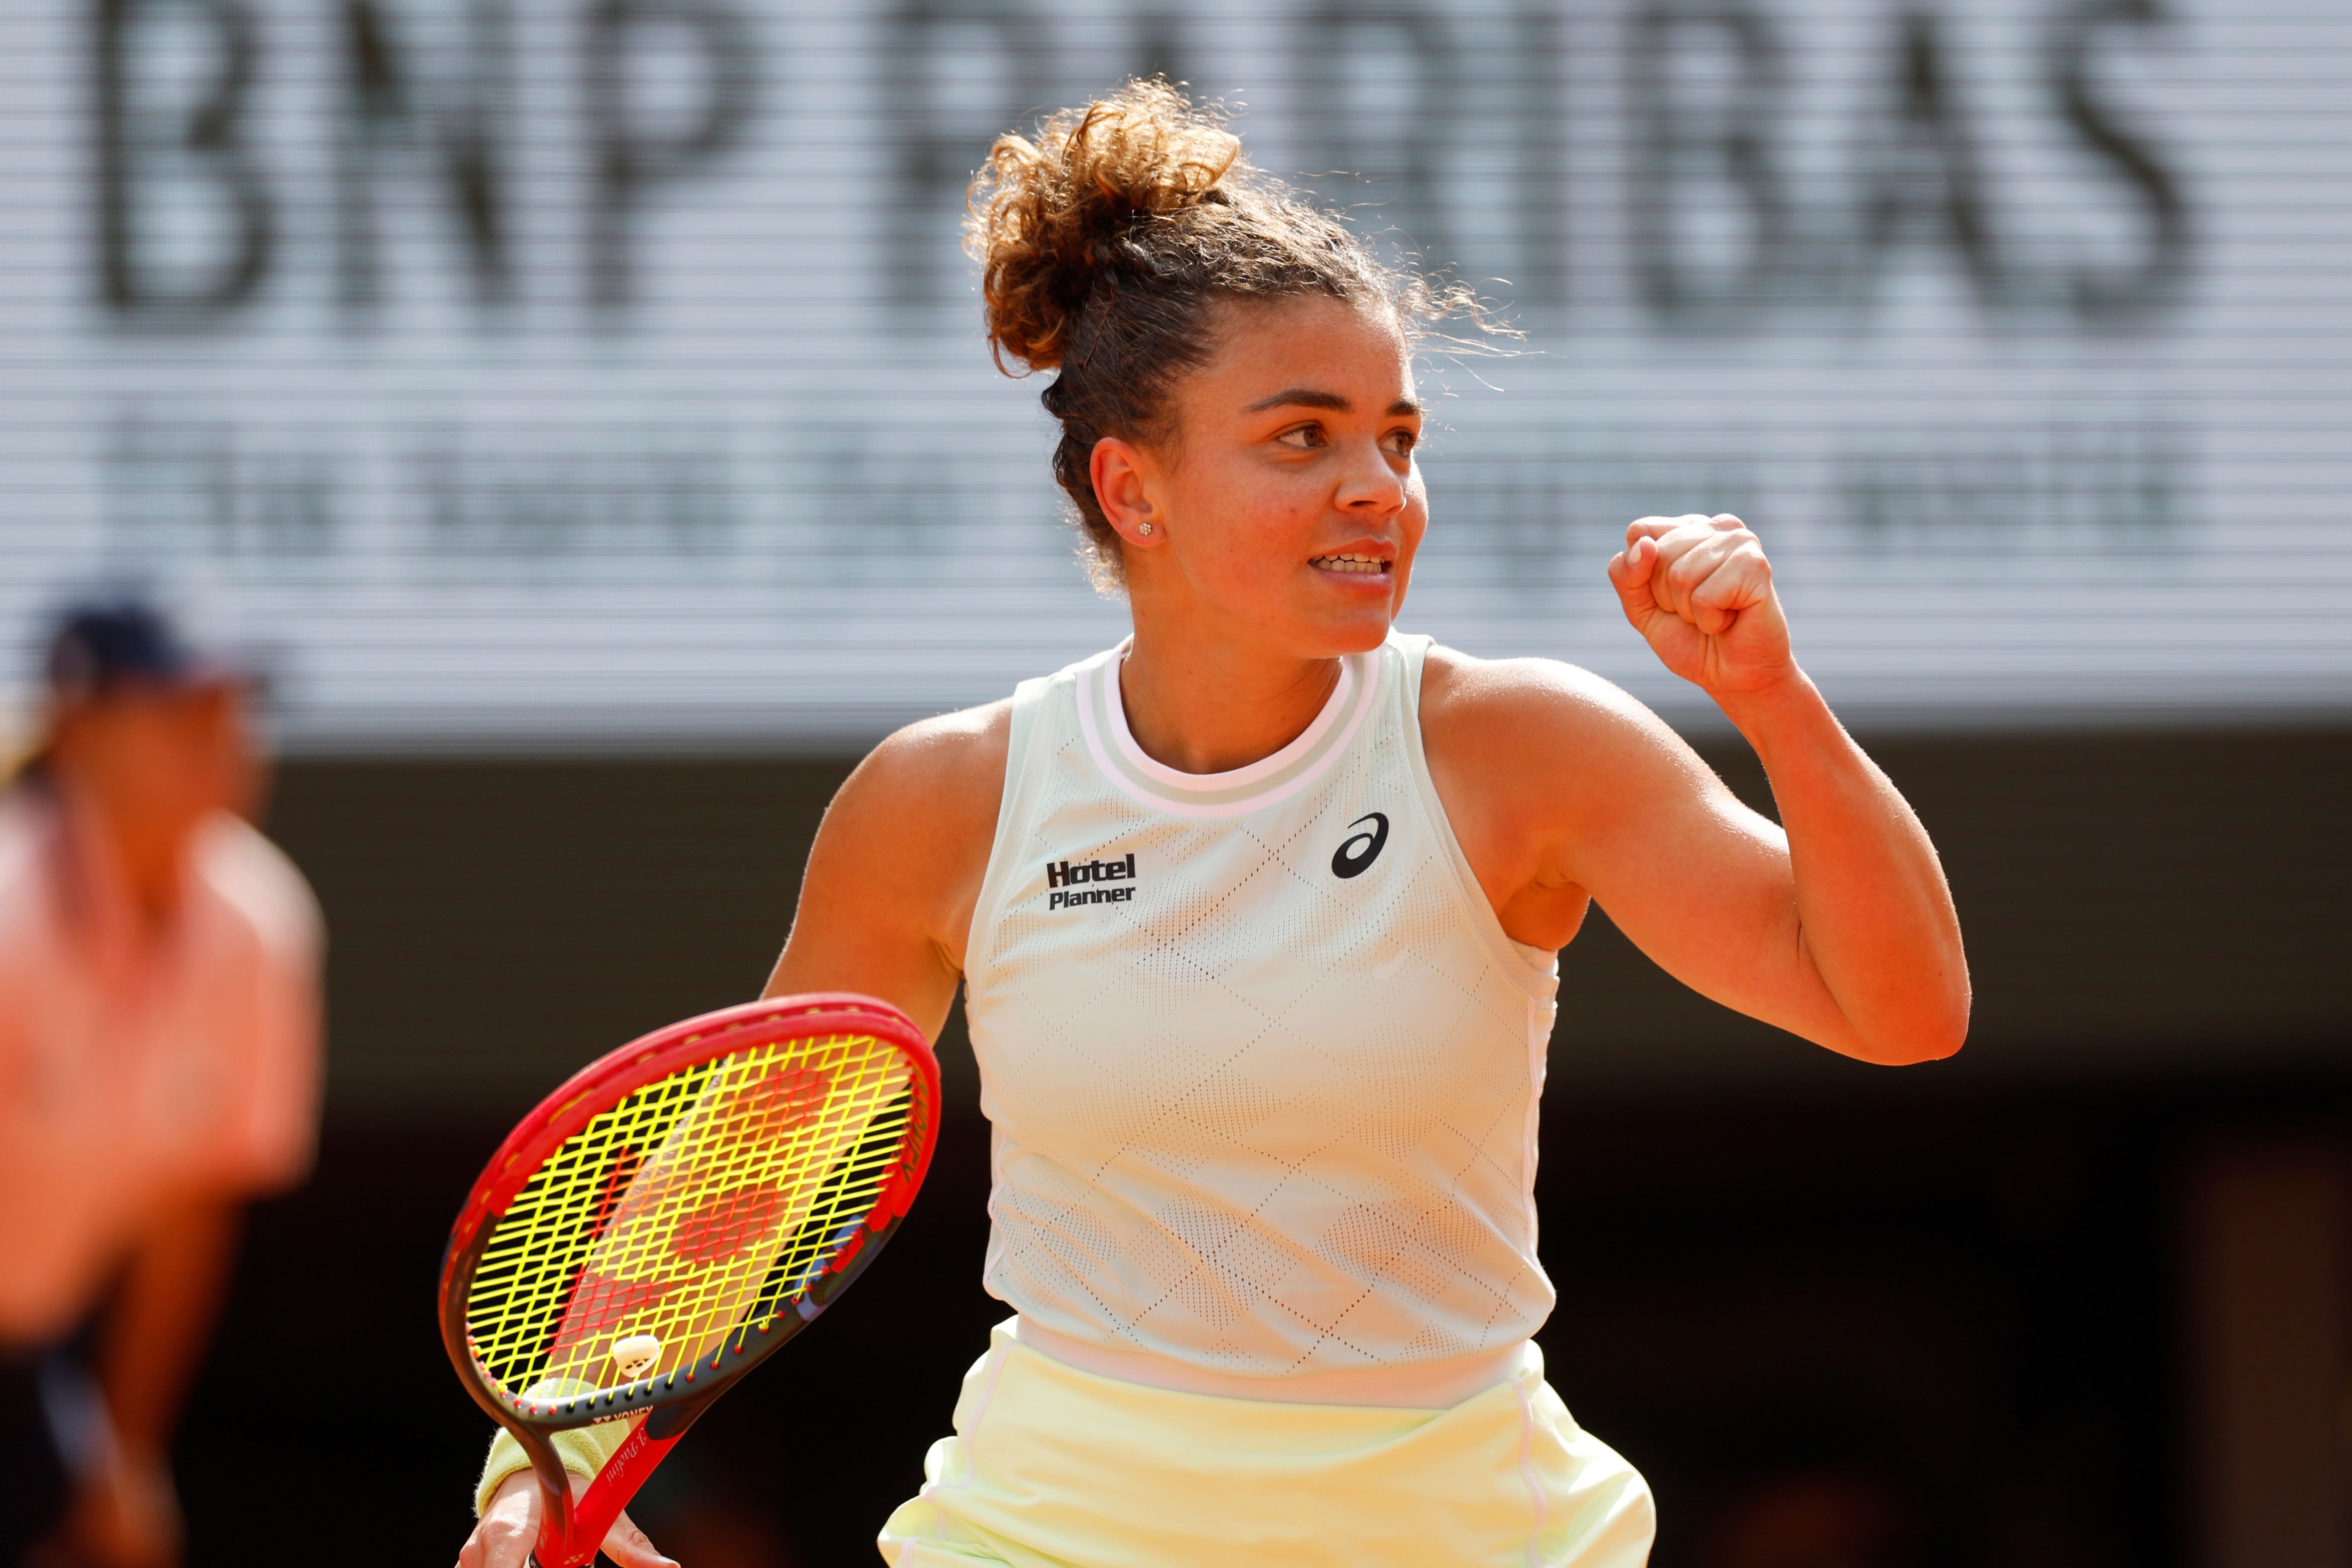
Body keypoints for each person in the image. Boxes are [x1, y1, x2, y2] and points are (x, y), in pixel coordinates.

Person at [460, 81, 1967, 1568]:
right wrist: (543, 1473)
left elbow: (1896, 1010)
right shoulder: (946, 800)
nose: (1376, 487)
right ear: (1135, 487)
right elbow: (737, 1174)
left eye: (1396, 436)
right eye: (1302, 438)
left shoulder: (1521, 750)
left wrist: (1772, 699)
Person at [0, 600, 323, 1568]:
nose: (223, 740)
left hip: (34, 1339)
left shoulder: (260, 925)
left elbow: (190, 1206)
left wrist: (126, 1451)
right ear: (78, 730)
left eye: (232, 710)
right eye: (182, 711)